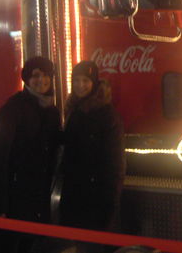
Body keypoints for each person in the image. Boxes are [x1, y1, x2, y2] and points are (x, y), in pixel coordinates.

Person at [0, 56, 61, 253]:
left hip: (37, 194)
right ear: (26, 79)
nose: (42, 80)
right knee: (9, 244)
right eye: (36, 75)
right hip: (14, 196)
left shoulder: (51, 111)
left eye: (46, 75)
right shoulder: (12, 109)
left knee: (28, 244)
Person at [60, 61, 126, 237]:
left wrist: (110, 205)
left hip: (96, 198)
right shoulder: (73, 109)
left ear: (94, 83)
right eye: (76, 80)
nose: (80, 85)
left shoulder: (108, 116)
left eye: (85, 81)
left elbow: (115, 165)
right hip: (74, 194)